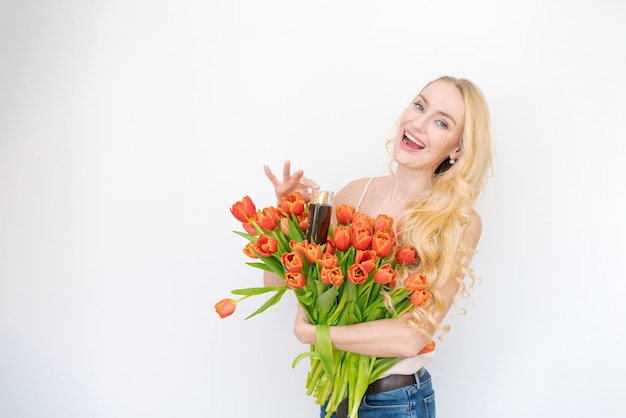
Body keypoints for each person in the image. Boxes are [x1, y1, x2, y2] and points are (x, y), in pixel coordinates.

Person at [263, 75, 493, 417]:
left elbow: (410, 338)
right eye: (419, 105)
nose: (419, 123)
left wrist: (316, 334)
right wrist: (288, 217)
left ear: (457, 148)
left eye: (441, 122)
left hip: (395, 403)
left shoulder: (456, 221)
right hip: (333, 396)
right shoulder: (356, 194)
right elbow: (278, 283)